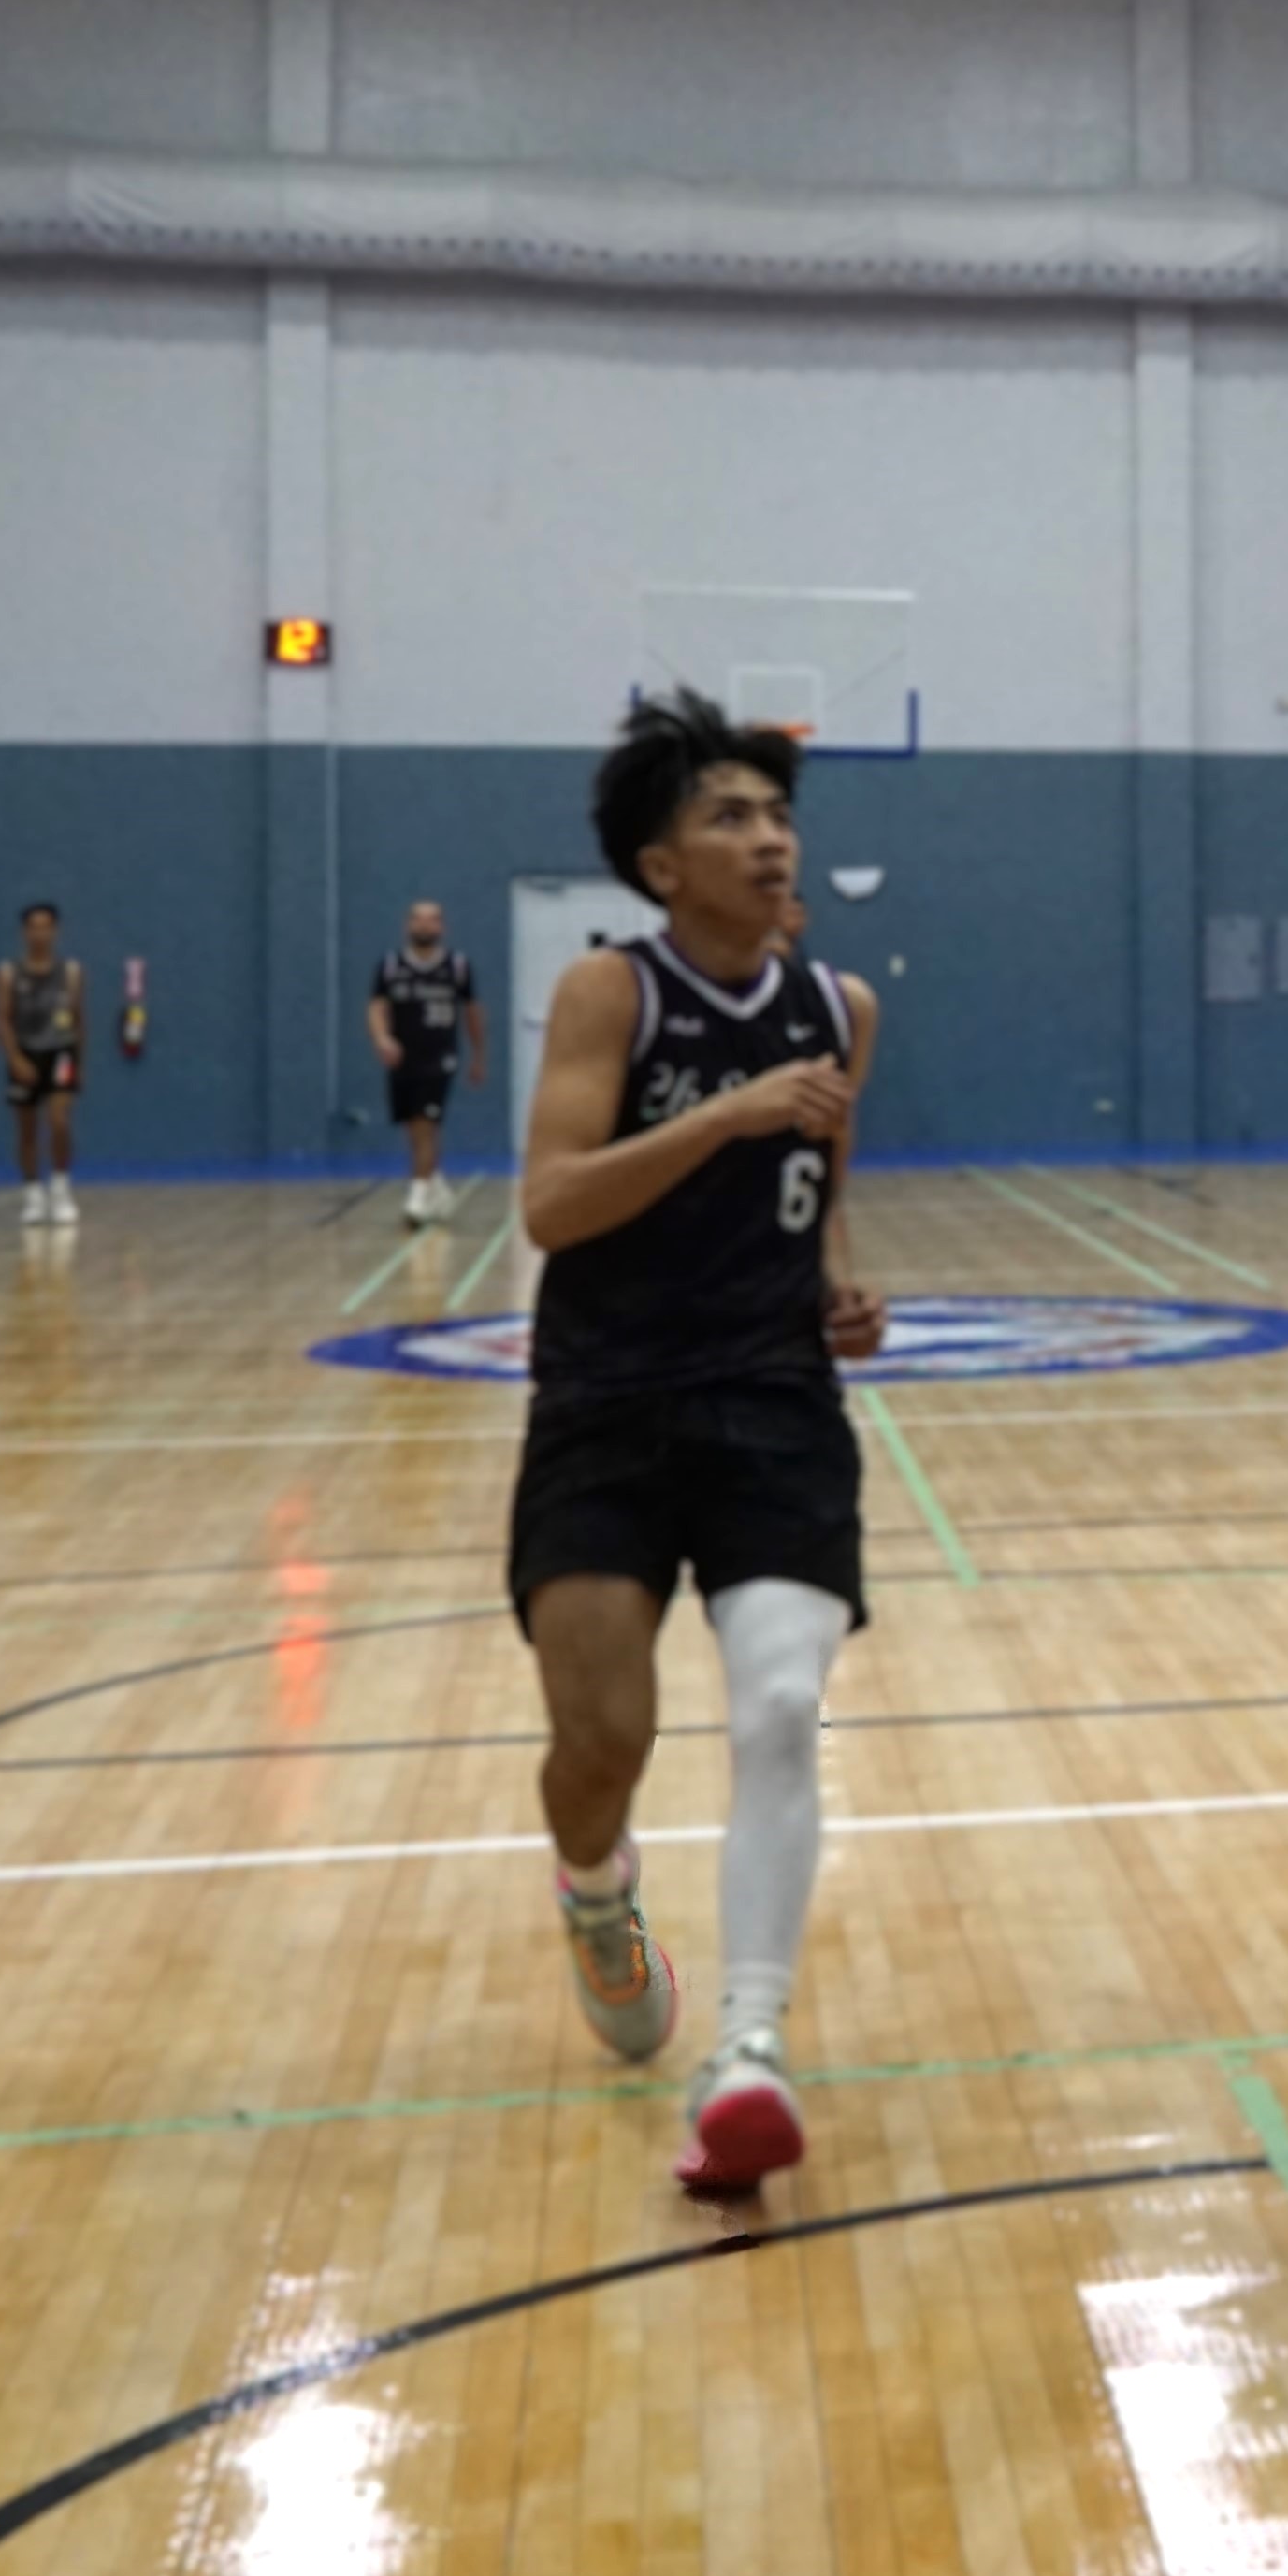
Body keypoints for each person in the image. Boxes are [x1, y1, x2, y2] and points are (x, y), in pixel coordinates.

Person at [511, 692, 886, 2196]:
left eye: (774, 812)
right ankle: (597, 1893)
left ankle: (747, 2049)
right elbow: (549, 1205)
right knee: (602, 1740)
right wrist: (721, 1117)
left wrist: (842, 1284)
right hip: (604, 1402)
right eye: (728, 815)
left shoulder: (839, 1007)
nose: (767, 835)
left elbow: (819, 1185)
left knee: (782, 1707)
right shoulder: (614, 994)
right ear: (660, 865)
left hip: (775, 1404)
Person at [369, 900, 486, 1226]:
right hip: (403, 1057)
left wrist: (478, 1056)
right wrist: (381, 1038)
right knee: (414, 1127)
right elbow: (377, 1007)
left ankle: (417, 1196)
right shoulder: (391, 965)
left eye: (432, 920)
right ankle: (435, 1183)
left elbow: (473, 1014)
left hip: (440, 1056)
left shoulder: (457, 966)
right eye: (418, 919)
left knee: (425, 1124)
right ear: (408, 925)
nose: (425, 925)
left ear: (442, 927)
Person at [0, 901, 84, 1228]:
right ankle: (33, 1192)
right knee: (27, 1128)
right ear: (24, 932)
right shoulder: (8, 973)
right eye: (34, 926)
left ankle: (60, 1188)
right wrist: (15, 1057)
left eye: (46, 926)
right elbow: (2, 1020)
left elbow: (79, 1020)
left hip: (61, 1052)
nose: (40, 933)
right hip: (25, 1054)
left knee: (59, 1120)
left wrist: (80, 1062)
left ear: (55, 931)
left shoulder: (70, 973)